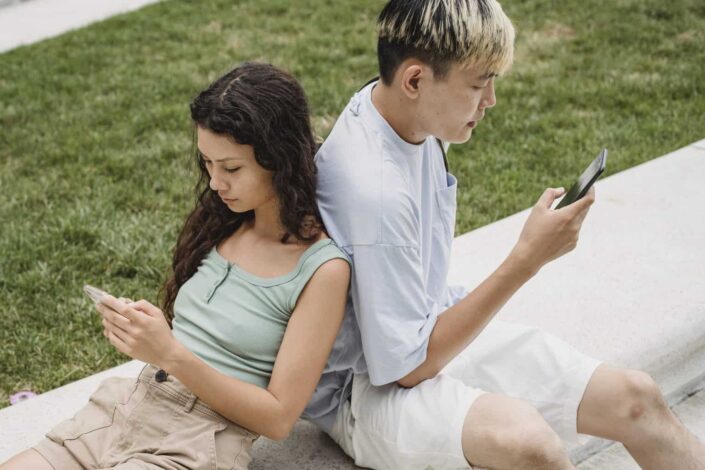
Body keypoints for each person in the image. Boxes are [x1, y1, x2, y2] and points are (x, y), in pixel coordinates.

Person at [304, 1, 705, 469]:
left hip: (424, 330)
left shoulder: (398, 113)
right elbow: (407, 369)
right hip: (364, 389)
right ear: (414, 81)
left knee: (636, 397)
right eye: (478, 84)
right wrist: (526, 260)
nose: (490, 100)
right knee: (529, 446)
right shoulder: (374, 191)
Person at [2, 62, 351, 470]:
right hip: (128, 408)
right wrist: (144, 334)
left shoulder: (321, 269)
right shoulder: (225, 223)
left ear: (280, 158)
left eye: (232, 168)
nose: (216, 183)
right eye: (208, 163)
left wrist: (169, 352)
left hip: (200, 438)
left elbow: (277, 419)